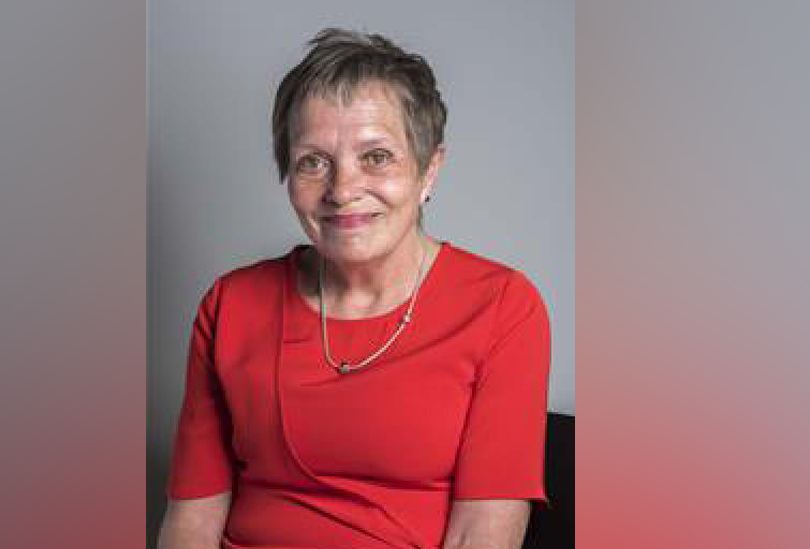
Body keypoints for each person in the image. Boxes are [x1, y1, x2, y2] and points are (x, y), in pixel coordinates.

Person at [158, 28, 551, 549]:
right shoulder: (229, 306)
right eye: (313, 161)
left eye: (376, 157)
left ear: (429, 170)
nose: (342, 191)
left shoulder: (502, 307)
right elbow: (192, 524)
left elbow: (482, 535)